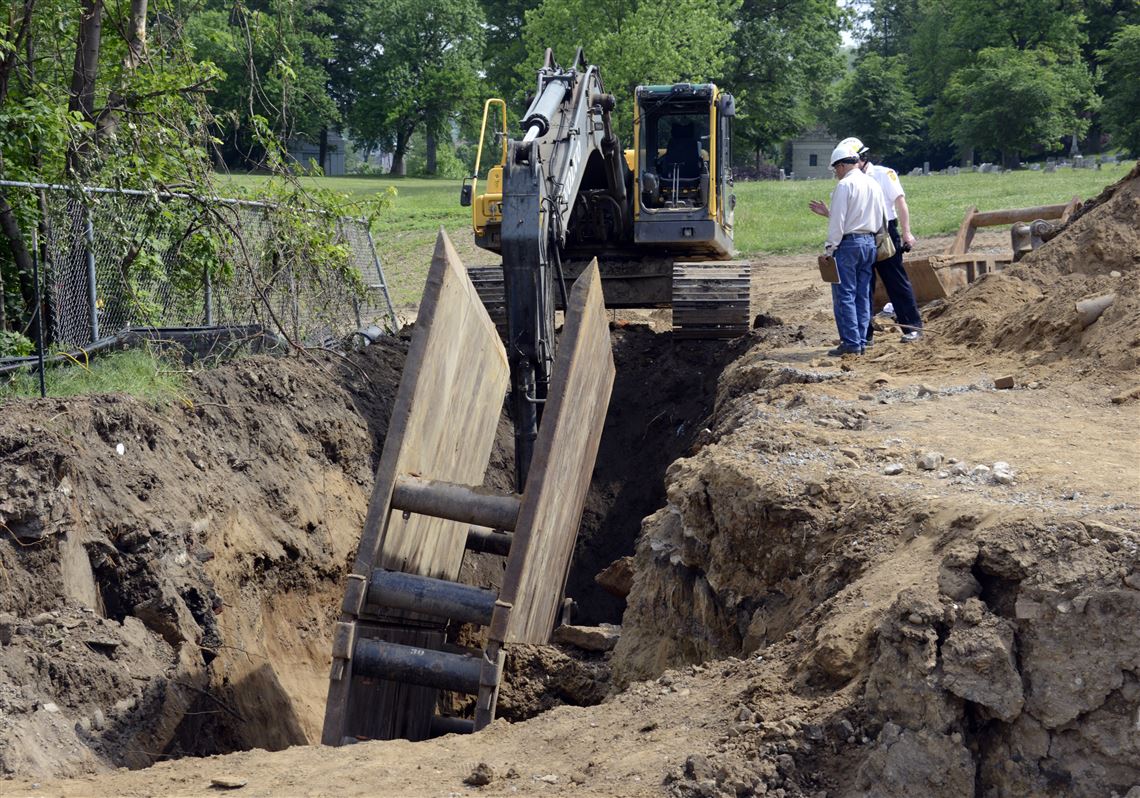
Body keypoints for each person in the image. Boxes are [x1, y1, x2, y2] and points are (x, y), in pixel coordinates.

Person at [810, 139, 923, 343]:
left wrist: (906, 233)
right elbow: (854, 216)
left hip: (884, 231)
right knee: (865, 286)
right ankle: (865, 334)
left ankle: (912, 327)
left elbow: (900, 202)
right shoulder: (861, 181)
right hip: (870, 233)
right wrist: (829, 213)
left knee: (894, 281)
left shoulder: (882, 174)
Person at [818, 139, 885, 356]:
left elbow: (838, 221)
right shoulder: (873, 184)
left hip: (848, 245)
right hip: (869, 243)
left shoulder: (845, 185)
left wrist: (830, 249)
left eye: (835, 169)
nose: (836, 173)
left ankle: (851, 343)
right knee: (862, 294)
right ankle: (862, 341)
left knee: (844, 294)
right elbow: (880, 216)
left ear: (842, 165)